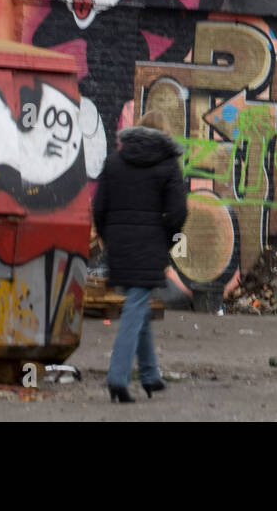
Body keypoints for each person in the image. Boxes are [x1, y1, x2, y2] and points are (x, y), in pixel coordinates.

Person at [92, 109, 188, 403]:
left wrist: (111, 240)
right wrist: (166, 241)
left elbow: (99, 208)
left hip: (119, 245)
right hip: (150, 244)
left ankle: (150, 375)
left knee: (139, 303)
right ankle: (118, 378)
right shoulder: (168, 164)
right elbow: (178, 213)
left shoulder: (114, 161)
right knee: (136, 306)